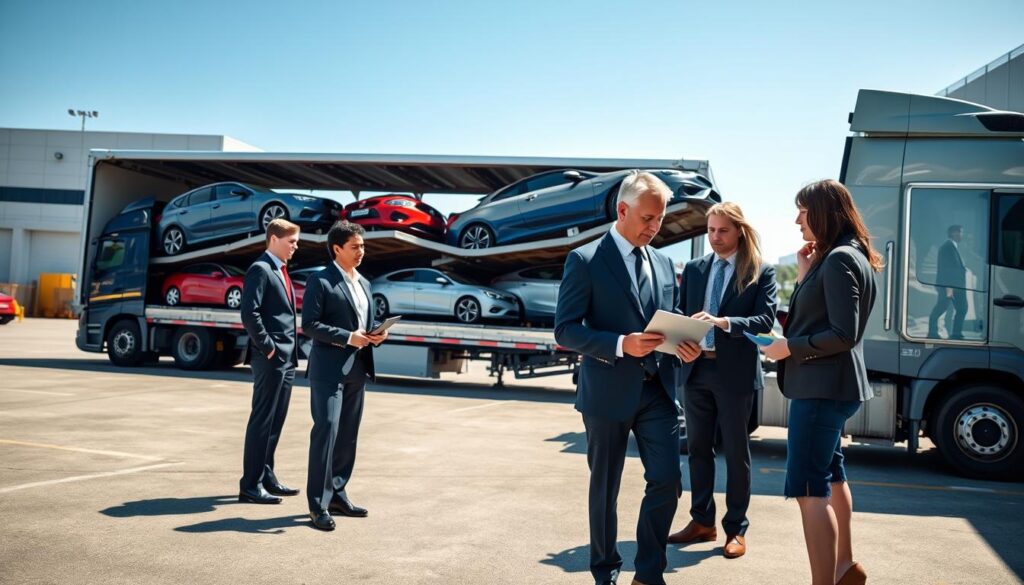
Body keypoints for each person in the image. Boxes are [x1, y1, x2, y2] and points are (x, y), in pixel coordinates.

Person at [555, 171, 686, 585]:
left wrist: (684, 344)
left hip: (657, 391)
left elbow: (665, 322)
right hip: (607, 392)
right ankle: (605, 571)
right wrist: (619, 344)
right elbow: (565, 330)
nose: (655, 227)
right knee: (605, 489)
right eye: (648, 218)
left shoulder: (664, 263)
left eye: (660, 219)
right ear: (623, 210)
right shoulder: (585, 260)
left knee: (668, 480)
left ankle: (648, 573)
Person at [761, 179, 882, 585]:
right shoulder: (848, 255)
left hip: (821, 390)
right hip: (835, 387)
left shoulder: (839, 260)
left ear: (824, 213)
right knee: (832, 475)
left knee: (809, 490)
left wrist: (789, 348)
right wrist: (805, 275)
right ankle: (845, 567)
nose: (797, 220)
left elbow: (843, 334)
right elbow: (824, 318)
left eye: (803, 211)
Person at [669, 202, 778, 559]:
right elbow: (682, 314)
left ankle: (736, 529)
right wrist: (681, 343)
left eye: (723, 231)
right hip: (696, 369)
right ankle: (702, 521)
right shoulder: (695, 269)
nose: (715, 237)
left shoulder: (760, 271)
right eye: (711, 230)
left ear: (739, 232)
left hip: (735, 374)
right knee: (698, 449)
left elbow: (764, 321)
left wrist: (723, 322)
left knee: (735, 453)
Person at [302, 220, 386, 531]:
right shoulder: (321, 281)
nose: (361, 251)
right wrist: (348, 337)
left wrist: (376, 335)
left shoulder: (365, 283)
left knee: (348, 435)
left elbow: (365, 322)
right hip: (328, 370)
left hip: (358, 368)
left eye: (363, 246)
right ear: (337, 249)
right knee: (326, 431)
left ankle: (337, 493)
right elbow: (309, 325)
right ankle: (317, 505)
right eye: (355, 247)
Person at [238, 218, 302, 504]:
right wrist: (269, 348)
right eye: (291, 241)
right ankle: (250, 486)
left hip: (286, 359)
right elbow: (249, 313)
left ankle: (266, 476)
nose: (295, 247)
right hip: (271, 358)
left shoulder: (280, 269)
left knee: (276, 421)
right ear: (274, 239)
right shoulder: (260, 269)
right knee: (262, 421)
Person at [927, 225, 967, 339]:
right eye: (961, 232)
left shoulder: (952, 247)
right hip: (951, 286)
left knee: (961, 308)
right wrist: (948, 288)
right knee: (942, 307)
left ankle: (955, 334)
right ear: (954, 233)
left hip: (956, 286)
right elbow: (945, 269)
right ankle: (933, 332)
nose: (962, 235)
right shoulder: (947, 247)